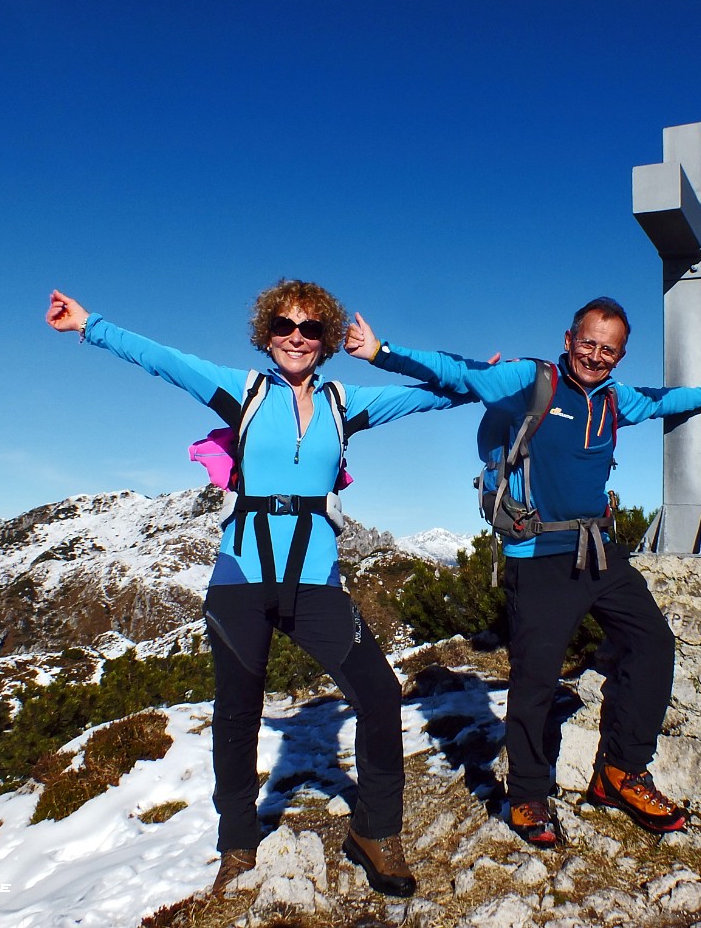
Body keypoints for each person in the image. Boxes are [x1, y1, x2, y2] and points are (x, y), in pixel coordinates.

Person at [45, 282, 461, 897]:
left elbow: (435, 394)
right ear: (267, 333)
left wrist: (477, 378)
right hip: (240, 578)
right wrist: (90, 325)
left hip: (317, 581)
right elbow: (162, 359)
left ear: (325, 341)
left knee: (379, 692)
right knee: (237, 715)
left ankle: (376, 830)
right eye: (286, 325)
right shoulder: (243, 392)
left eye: (312, 328)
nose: (298, 336)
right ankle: (237, 846)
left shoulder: (347, 402)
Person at [344, 297, 701, 847]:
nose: (595, 356)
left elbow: (661, 400)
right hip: (537, 558)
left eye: (609, 350)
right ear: (568, 338)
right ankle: (530, 794)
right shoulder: (532, 381)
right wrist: (381, 353)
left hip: (599, 550)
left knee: (653, 643)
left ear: (620, 355)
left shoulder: (613, 400)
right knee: (536, 680)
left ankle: (622, 771)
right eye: (588, 343)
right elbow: (457, 370)